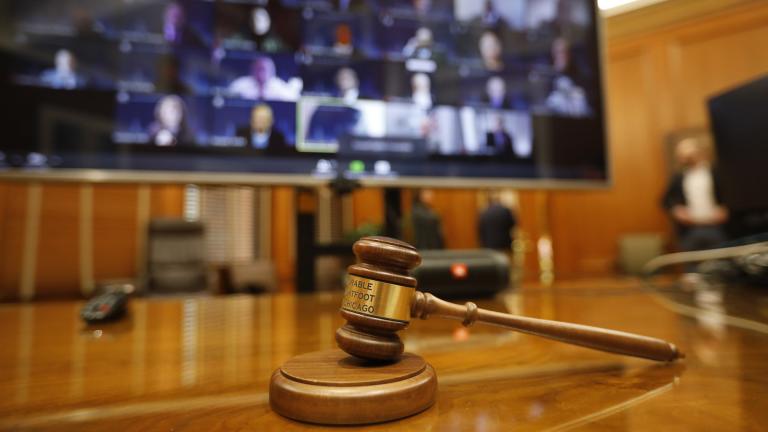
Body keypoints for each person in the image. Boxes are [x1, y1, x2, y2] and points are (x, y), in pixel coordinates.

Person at [662, 138, 728, 252]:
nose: (683, 157)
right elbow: (665, 200)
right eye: (680, 154)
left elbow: (732, 194)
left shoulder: (716, 172)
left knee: (722, 263)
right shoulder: (679, 177)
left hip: (717, 228)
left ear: (699, 152)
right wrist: (676, 210)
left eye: (686, 153)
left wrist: (726, 209)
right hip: (690, 230)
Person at [227, 56, 302, 101]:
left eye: (264, 69)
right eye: (258, 69)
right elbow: (228, 98)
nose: (261, 73)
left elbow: (294, 99)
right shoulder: (240, 84)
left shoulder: (279, 86)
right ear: (252, 70)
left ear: (272, 72)